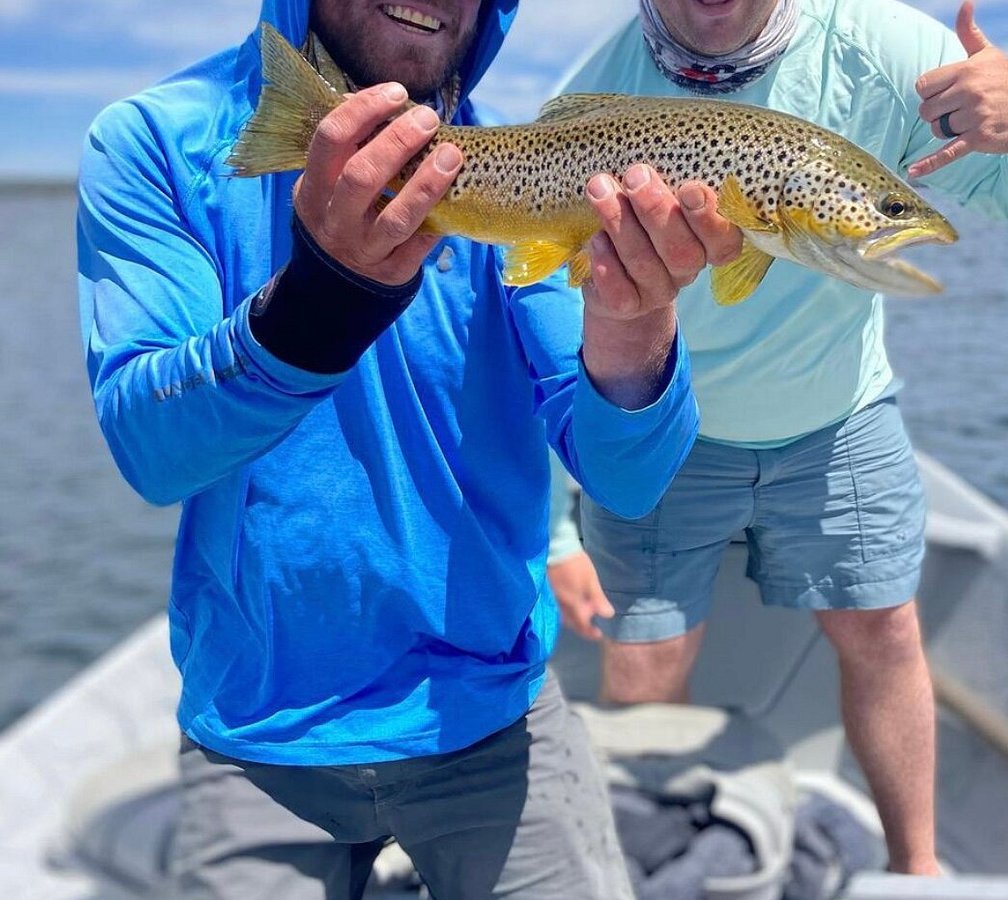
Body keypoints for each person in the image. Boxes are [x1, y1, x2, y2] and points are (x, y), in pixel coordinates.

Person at [75, 0, 745, 896]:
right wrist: (320, 303)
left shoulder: (533, 172)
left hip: (492, 713)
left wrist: (636, 326)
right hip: (256, 728)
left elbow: (629, 478)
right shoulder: (155, 141)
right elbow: (151, 453)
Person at [551, 0, 1008, 877]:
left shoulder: (892, 54)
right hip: (657, 435)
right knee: (645, 650)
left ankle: (919, 871)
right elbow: (540, 322)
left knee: (884, 633)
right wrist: (553, 529)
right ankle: (645, 860)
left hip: (840, 418)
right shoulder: (591, 89)